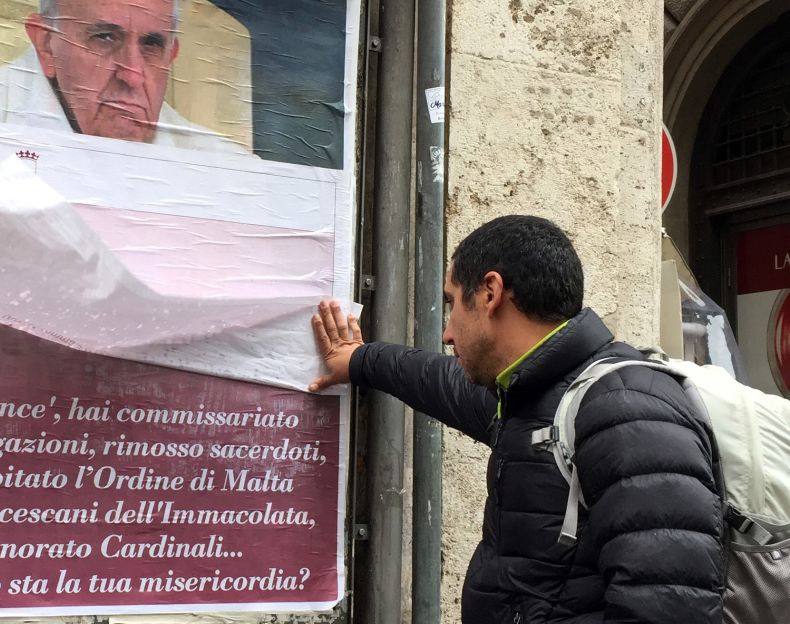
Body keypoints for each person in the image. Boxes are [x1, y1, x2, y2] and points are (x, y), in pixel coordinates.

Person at [310, 215, 725, 623]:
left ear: (490, 293)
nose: (447, 332)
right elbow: (438, 381)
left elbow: (672, 604)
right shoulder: (531, 394)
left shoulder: (628, 410)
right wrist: (360, 360)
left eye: (453, 302)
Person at [0, 0, 249, 153]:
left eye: (152, 45)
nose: (133, 75)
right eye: (105, 38)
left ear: (172, 55)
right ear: (46, 45)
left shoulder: (229, 174)